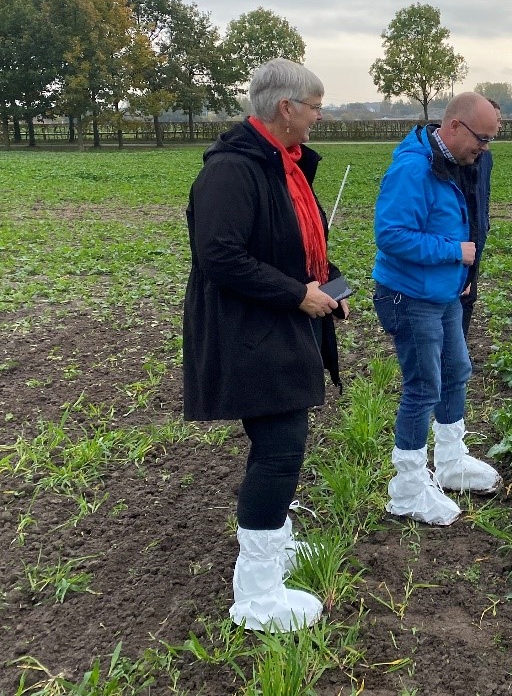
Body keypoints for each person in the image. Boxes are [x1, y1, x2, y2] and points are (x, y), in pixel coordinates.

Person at [183, 58, 348, 632]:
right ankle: (256, 594)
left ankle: (272, 546)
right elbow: (220, 256)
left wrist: (327, 281)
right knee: (279, 448)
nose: (319, 117)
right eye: (315, 106)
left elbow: (293, 241)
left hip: (278, 319)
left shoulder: (285, 166)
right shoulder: (233, 170)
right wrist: (296, 295)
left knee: (281, 442)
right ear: (287, 108)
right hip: (247, 330)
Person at [372, 91, 503, 526]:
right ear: (453, 127)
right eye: (481, 139)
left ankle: (450, 461)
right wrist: (454, 253)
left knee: (456, 371)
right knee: (423, 386)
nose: (484, 150)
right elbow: (391, 236)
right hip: (410, 297)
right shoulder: (413, 168)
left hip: (444, 293)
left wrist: (460, 277)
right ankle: (408, 489)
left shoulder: (457, 163)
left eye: (490, 141)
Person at [460, 98, 502, 338]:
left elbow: (483, 193)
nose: (499, 124)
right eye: (496, 119)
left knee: (470, 294)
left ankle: (461, 344)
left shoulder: (487, 157)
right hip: (464, 237)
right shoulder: (465, 157)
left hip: (479, 233)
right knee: (460, 293)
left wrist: (484, 219)